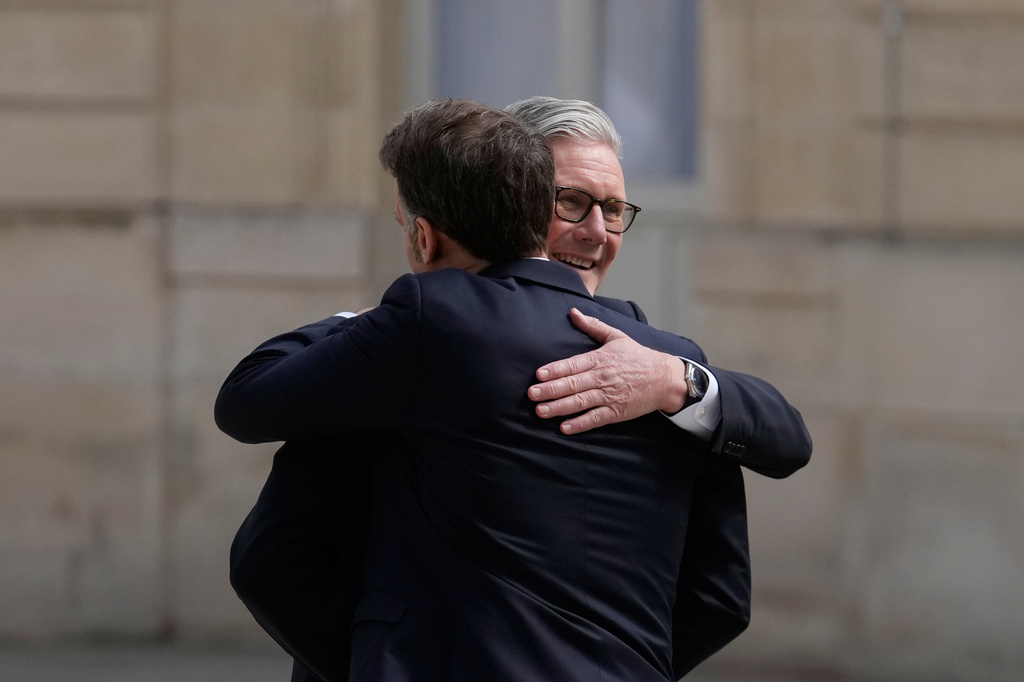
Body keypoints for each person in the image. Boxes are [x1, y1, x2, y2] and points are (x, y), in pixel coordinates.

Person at [221, 97, 811, 681]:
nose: (595, 231)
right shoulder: (402, 345)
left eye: (613, 208)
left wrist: (677, 382)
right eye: (571, 202)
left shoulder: (663, 371)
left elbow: (271, 560)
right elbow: (718, 601)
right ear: (513, 194)